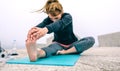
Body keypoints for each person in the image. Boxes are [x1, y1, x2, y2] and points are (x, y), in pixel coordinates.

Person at [26, 0, 95, 62]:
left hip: (72, 44)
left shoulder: (67, 17)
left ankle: (66, 52)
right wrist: (32, 30)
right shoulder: (48, 20)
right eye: (51, 18)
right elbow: (41, 25)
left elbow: (59, 24)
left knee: (91, 39)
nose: (54, 20)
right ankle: (37, 54)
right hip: (58, 44)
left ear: (62, 11)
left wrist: (46, 29)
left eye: (56, 18)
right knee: (50, 49)